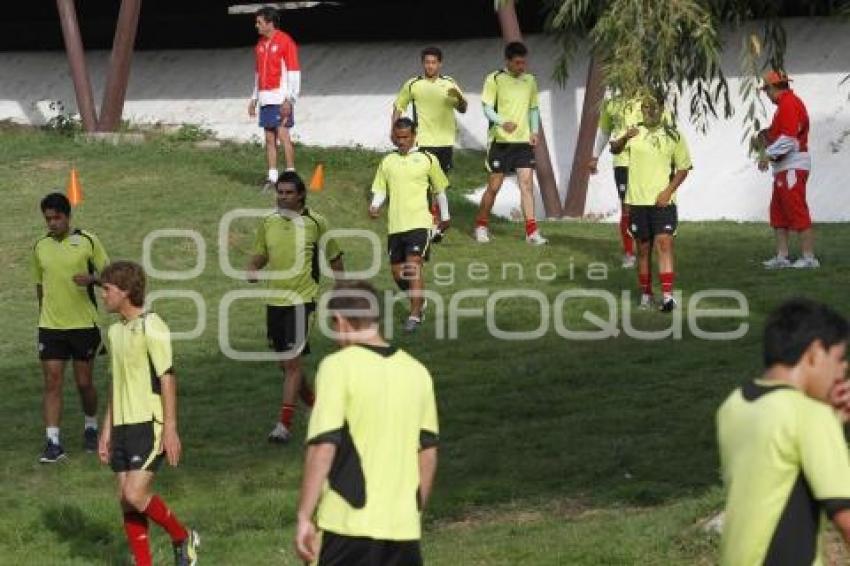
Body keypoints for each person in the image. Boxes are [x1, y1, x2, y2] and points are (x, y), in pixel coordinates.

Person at [294, 280, 439, 565]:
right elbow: (428, 453)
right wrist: (413, 512)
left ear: (340, 320)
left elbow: (324, 446)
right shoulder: (417, 372)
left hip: (348, 526)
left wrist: (303, 515)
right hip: (403, 533)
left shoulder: (338, 367)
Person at [717, 298, 850, 565]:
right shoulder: (810, 416)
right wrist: (826, 421)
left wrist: (832, 421)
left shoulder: (734, 406)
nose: (841, 374)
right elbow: (845, 517)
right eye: (838, 361)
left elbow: (780, 470)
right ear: (814, 354)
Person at [97, 261, 199, 566]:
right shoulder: (114, 332)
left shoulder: (152, 325)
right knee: (126, 501)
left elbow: (167, 376)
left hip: (149, 424)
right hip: (123, 425)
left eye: (107, 290)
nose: (103, 296)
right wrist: (106, 429)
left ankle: (182, 537)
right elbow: (117, 381)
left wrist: (171, 427)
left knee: (135, 494)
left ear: (126, 291)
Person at [247, 171, 344, 443]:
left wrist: (343, 289)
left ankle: (283, 425)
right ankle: (316, 406)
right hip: (274, 301)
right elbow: (261, 254)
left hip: (302, 300)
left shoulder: (316, 222)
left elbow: (334, 256)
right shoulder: (268, 222)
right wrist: (253, 267)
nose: (283, 197)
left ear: (301, 194)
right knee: (288, 365)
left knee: (291, 363)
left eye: (289, 192)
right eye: (280, 192)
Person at [32, 192, 109, 463]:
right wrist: (43, 314)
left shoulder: (87, 241)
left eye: (56, 218)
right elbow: (40, 284)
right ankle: (53, 442)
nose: (52, 223)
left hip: (83, 325)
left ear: (68, 216)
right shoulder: (40, 246)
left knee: (84, 383)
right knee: (52, 382)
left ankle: (91, 426)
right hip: (51, 327)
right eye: (48, 219)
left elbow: (111, 277)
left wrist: (91, 279)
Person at [610, 95, 691, 312]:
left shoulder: (673, 135)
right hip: (637, 202)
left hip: (663, 203)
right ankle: (646, 295)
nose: (649, 111)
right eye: (645, 107)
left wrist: (667, 191)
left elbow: (683, 168)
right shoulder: (633, 132)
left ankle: (667, 296)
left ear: (661, 109)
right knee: (643, 250)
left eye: (653, 107)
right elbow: (614, 149)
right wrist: (625, 137)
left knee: (664, 244)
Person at [370, 117, 451, 332]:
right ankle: (419, 300)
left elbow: (440, 189)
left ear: (414, 136)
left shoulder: (427, 159)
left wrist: (446, 217)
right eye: (398, 138)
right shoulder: (387, 161)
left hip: (420, 223)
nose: (401, 142)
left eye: (405, 137)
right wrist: (375, 205)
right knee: (398, 274)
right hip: (396, 226)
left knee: (413, 266)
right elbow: (380, 188)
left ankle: (414, 316)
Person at [475, 41, 546, 245]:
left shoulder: (530, 80)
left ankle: (532, 232)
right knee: (494, 187)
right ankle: (481, 225)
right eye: (517, 63)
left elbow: (533, 108)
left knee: (526, 185)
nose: (521, 67)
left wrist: (534, 131)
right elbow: (486, 108)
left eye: (523, 63)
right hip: (501, 142)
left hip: (523, 142)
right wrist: (501, 122)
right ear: (507, 61)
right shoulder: (494, 79)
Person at [392, 46, 467, 236]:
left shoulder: (449, 83)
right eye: (427, 62)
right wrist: (394, 130)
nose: (430, 66)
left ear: (440, 64)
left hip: (445, 142)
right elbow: (399, 105)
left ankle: (440, 221)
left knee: (439, 184)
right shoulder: (413, 84)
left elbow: (463, 108)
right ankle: (433, 223)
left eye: (434, 62)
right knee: (424, 184)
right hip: (422, 142)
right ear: (423, 64)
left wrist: (459, 98)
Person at [757, 70, 817, 269]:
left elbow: (789, 139)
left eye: (766, 90)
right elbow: (783, 134)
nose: (766, 95)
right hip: (785, 166)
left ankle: (809, 258)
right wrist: (766, 136)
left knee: (796, 208)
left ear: (772, 88)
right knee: (779, 211)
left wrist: (767, 154)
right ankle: (782, 256)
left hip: (793, 164)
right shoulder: (786, 105)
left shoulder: (788, 104)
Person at [248, 6, 301, 188]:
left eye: (259, 22)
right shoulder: (260, 45)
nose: (256, 26)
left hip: (281, 99)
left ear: (270, 23)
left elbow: (294, 72)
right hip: (265, 98)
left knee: (283, 135)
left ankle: (290, 175)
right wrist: (254, 98)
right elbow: (258, 74)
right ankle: (272, 177)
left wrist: (290, 99)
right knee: (269, 138)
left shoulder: (286, 42)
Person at [589, 94, 643, 268]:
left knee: (646, 205)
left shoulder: (648, 99)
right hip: (622, 162)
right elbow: (605, 131)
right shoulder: (611, 103)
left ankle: (646, 248)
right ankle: (628, 252)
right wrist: (595, 156)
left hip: (646, 161)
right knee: (627, 207)